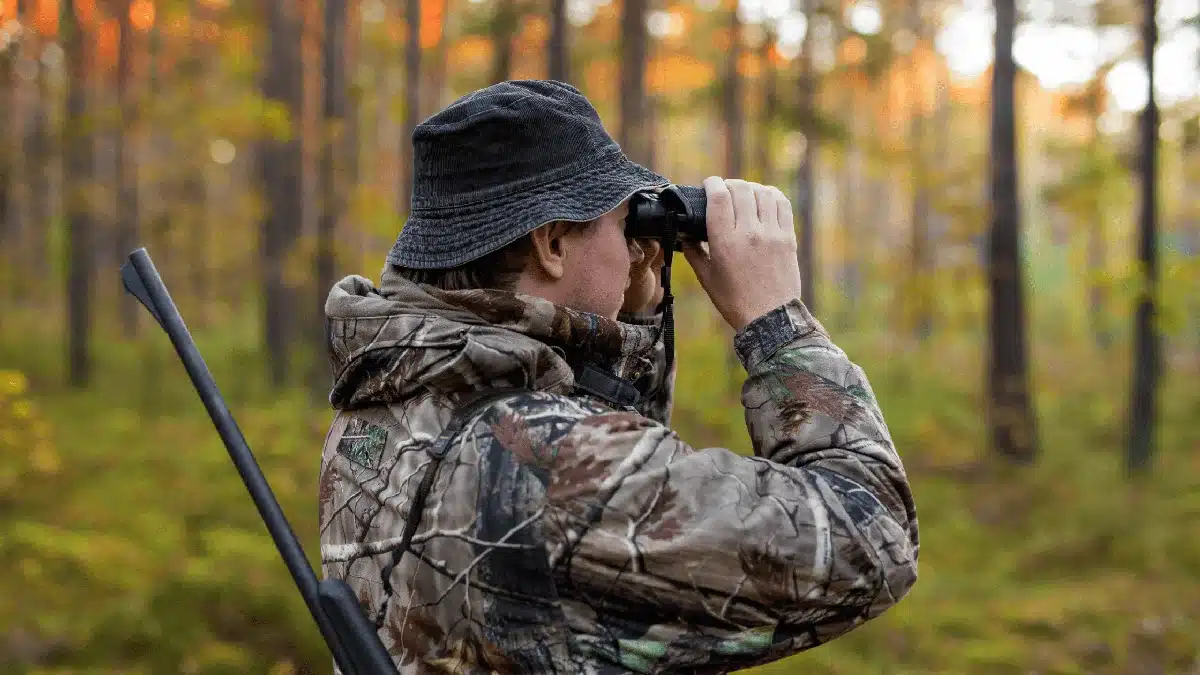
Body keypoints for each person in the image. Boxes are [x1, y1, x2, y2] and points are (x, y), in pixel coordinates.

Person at [317, 79, 918, 674]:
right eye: (622, 224)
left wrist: (630, 313)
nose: (638, 248)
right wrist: (777, 327)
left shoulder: (387, 396)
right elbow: (872, 540)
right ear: (551, 242)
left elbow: (596, 533)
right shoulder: (548, 464)